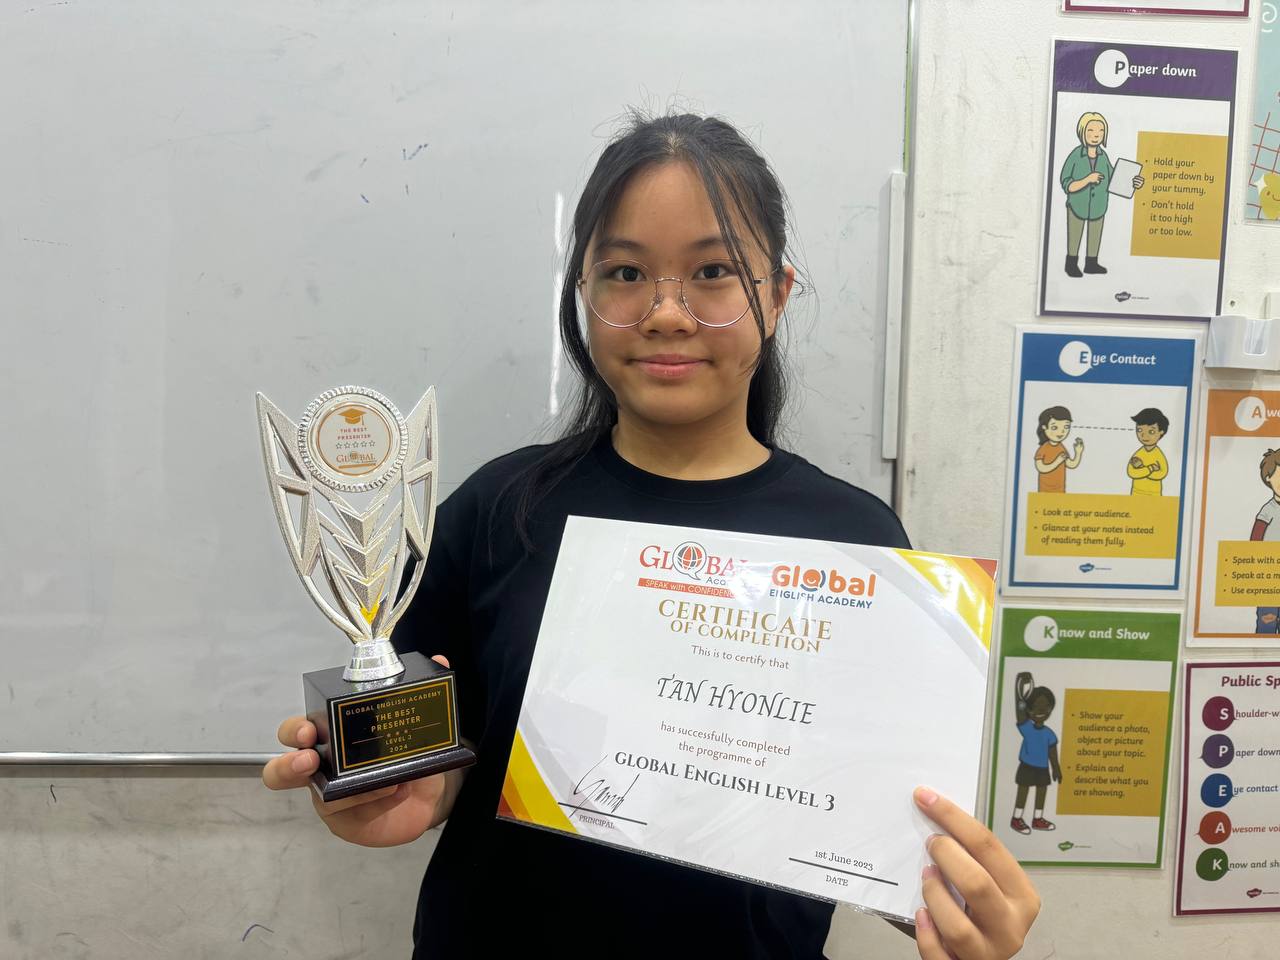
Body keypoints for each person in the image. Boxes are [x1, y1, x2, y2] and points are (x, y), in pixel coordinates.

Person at [262, 112, 1040, 959]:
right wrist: (403, 795)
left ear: (778, 294)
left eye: (713, 272)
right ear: (585, 293)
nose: (667, 314)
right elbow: (443, 758)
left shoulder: (859, 541)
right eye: (626, 273)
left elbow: (871, 818)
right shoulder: (498, 509)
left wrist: (949, 906)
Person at [1059, 111, 1145, 277]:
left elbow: (1114, 180)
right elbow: (1066, 184)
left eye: (1100, 131)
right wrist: (1087, 179)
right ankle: (1071, 264)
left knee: (1095, 235)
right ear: (1082, 132)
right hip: (1077, 205)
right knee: (1075, 236)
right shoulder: (1075, 156)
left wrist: (1134, 183)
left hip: (1098, 206)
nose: (1096, 135)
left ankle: (1091, 264)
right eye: (1091, 130)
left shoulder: (1103, 156)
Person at [1010, 673, 1062, 835]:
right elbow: (1020, 709)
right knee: (1023, 790)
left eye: (1045, 707)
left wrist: (1056, 769)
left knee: (1042, 790)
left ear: (1050, 709)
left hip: (1042, 768)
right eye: (1036, 706)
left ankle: (1037, 819)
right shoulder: (1027, 727)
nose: (1040, 710)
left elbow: (1052, 753)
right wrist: (1019, 687)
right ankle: (1017, 818)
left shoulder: (1049, 734)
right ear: (1029, 709)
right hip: (1027, 766)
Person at [1250, 448, 1280, 634]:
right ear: (1268, 478)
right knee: (1267, 622)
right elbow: (1255, 540)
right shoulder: (1268, 510)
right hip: (1268, 576)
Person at [1034, 405, 1083, 493]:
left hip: (1060, 491)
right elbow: (1041, 468)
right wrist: (1057, 461)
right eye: (1054, 428)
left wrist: (1078, 452)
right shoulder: (1044, 448)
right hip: (1045, 491)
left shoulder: (1061, 447)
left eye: (1066, 427)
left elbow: (1071, 464)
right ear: (1044, 427)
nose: (1062, 432)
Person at [1126, 408, 1169, 496]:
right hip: (1136, 492)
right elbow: (1131, 472)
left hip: (1154, 493)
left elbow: (1162, 473)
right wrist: (1150, 469)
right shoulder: (1138, 454)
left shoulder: (1158, 454)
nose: (1143, 435)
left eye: (1151, 431)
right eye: (1139, 430)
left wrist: (1142, 471)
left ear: (1161, 432)